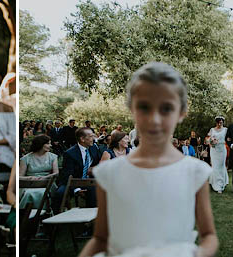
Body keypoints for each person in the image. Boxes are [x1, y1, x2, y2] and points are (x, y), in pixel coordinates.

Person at [78, 62, 218, 257]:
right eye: (144, 107)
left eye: (166, 108)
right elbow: (101, 238)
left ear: (181, 112)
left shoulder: (194, 171)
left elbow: (209, 235)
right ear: (132, 109)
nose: (155, 119)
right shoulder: (110, 173)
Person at [54, 127, 105, 209]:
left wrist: (94, 168)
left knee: (95, 191)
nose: (94, 138)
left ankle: (92, 216)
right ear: (82, 139)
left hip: (90, 181)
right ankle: (56, 216)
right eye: (91, 136)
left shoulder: (94, 148)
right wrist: (76, 189)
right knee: (60, 193)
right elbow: (67, 175)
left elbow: (99, 163)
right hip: (73, 181)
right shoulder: (70, 153)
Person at [19, 135, 57, 209]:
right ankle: (26, 214)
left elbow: (56, 173)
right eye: (48, 143)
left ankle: (43, 213)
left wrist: (44, 177)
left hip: (47, 183)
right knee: (29, 193)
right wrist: (29, 178)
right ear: (41, 144)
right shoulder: (26, 158)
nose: (50, 145)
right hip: (30, 184)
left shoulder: (53, 157)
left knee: (42, 192)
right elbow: (20, 176)